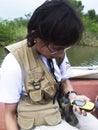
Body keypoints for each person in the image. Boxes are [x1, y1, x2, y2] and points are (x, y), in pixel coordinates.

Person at [0, 0, 98, 130]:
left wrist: (73, 96)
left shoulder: (58, 50)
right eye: (56, 48)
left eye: (65, 48)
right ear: (35, 35)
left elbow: (64, 79)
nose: (61, 53)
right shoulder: (14, 62)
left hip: (60, 109)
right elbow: (9, 114)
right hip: (36, 121)